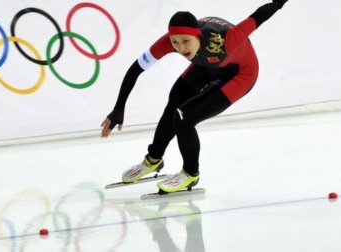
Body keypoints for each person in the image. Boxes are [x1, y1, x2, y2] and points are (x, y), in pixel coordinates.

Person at [101, 0, 289, 193]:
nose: (181, 48)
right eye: (175, 42)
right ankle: (153, 160)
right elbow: (136, 69)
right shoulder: (171, 41)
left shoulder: (228, 39)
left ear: (197, 35)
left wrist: (279, 2)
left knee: (184, 118)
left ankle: (191, 173)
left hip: (241, 74)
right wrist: (119, 107)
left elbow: (259, 16)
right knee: (174, 102)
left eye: (185, 41)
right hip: (208, 65)